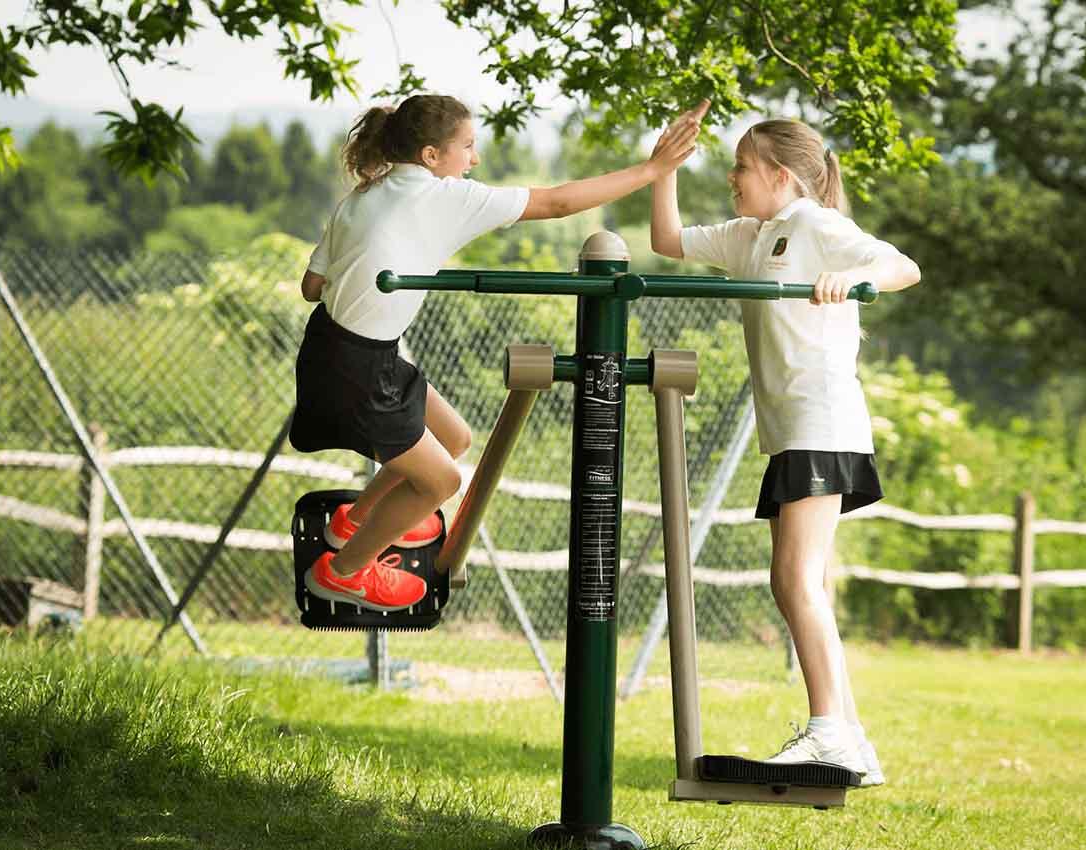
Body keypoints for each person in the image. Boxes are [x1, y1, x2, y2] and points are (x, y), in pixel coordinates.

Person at [293, 93, 707, 612]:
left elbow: (313, 287)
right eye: (467, 146)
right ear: (430, 156)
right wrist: (653, 169)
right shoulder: (445, 197)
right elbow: (556, 203)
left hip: (339, 347)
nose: (475, 159)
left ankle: (354, 522)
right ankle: (343, 572)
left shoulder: (362, 196)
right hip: (358, 370)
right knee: (441, 481)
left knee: (454, 437)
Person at [649, 110, 920, 786]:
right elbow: (667, 239)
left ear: (780, 175)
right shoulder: (753, 236)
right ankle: (849, 738)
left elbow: (901, 266)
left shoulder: (813, 224)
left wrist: (855, 281)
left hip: (819, 421)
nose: (733, 177)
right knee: (802, 580)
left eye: (742, 167)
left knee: (795, 579)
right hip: (796, 429)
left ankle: (831, 733)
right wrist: (663, 171)